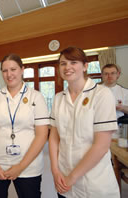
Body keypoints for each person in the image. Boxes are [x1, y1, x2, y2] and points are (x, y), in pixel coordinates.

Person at [49, 46, 120, 198]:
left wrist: (72, 177)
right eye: (63, 63)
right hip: (64, 181)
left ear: (85, 66)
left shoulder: (101, 94)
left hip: (94, 185)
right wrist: (55, 171)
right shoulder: (58, 98)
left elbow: (101, 146)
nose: (67, 67)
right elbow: (54, 137)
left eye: (73, 62)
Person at [0, 54, 50, 198]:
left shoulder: (36, 97)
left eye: (13, 69)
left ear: (22, 69)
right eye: (5, 71)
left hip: (28, 166)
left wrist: (20, 167)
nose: (9, 74)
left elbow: (42, 135)